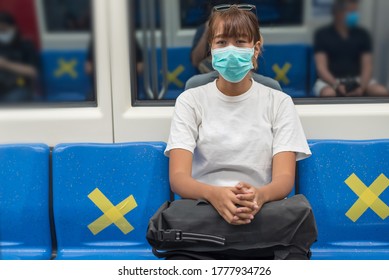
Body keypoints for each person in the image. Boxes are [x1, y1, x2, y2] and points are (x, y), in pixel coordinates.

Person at [165, 4, 312, 260]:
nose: (230, 50)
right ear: (210, 48)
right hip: (203, 220)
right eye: (222, 42)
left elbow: (284, 179)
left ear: (256, 48)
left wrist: (259, 196)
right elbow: (178, 177)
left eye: (240, 41)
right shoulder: (190, 101)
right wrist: (215, 195)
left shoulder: (279, 102)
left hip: (262, 217)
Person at [313, 0, 389, 97]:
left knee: (381, 92)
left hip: (359, 80)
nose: (354, 15)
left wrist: (362, 86)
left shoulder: (363, 34)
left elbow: (367, 66)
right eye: (351, 12)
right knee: (328, 94)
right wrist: (337, 85)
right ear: (338, 13)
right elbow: (321, 68)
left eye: (355, 12)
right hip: (329, 81)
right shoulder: (322, 35)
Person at [0, 11, 40, 102]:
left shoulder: (25, 46)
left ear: (13, 28)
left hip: (18, 87)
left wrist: (6, 64)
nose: (1, 34)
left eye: (4, 30)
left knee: (12, 101)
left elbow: (32, 72)